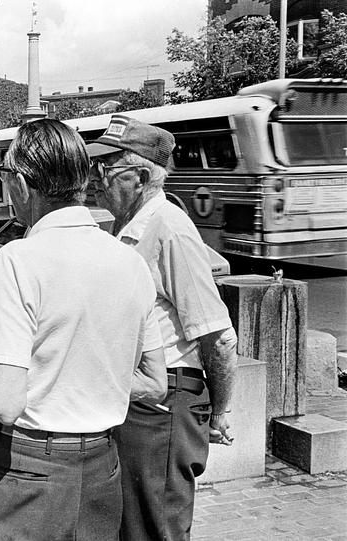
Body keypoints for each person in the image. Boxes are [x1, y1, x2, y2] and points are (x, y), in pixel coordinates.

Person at [0, 119, 167, 541]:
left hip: (27, 466)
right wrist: (86, 376)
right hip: (101, 465)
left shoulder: (18, 259)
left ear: (21, 183)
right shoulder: (128, 260)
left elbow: (5, 402)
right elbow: (154, 383)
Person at [87, 114, 238, 541]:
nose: (97, 179)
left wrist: (220, 412)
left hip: (167, 401)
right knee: (133, 525)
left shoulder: (169, 229)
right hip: (143, 398)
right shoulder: (133, 225)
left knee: (156, 528)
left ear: (139, 175)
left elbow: (218, 336)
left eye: (107, 169)